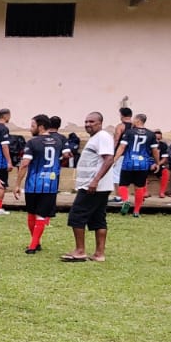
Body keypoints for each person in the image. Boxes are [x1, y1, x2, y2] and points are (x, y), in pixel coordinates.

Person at [63, 111, 119, 262]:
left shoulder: (103, 137)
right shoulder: (96, 138)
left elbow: (108, 159)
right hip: (96, 185)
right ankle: (99, 254)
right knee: (98, 218)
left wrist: (95, 181)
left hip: (94, 186)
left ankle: (80, 251)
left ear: (100, 123)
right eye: (86, 121)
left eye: (92, 122)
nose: (88, 124)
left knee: (77, 215)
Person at [17, 115, 64, 253]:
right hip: (51, 184)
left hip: (33, 184)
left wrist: (17, 184)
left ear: (41, 127)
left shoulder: (32, 143)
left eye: (32, 126)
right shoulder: (58, 142)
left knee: (32, 214)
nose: (30, 129)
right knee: (41, 215)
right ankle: (35, 243)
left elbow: (25, 164)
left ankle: (33, 245)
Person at [114, 113, 158, 215]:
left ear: (138, 120)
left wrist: (115, 159)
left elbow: (122, 147)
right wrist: (157, 162)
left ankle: (125, 201)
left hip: (128, 163)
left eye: (134, 119)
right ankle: (137, 211)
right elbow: (155, 150)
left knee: (123, 185)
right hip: (143, 164)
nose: (132, 121)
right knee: (139, 188)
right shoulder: (151, 134)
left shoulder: (129, 132)